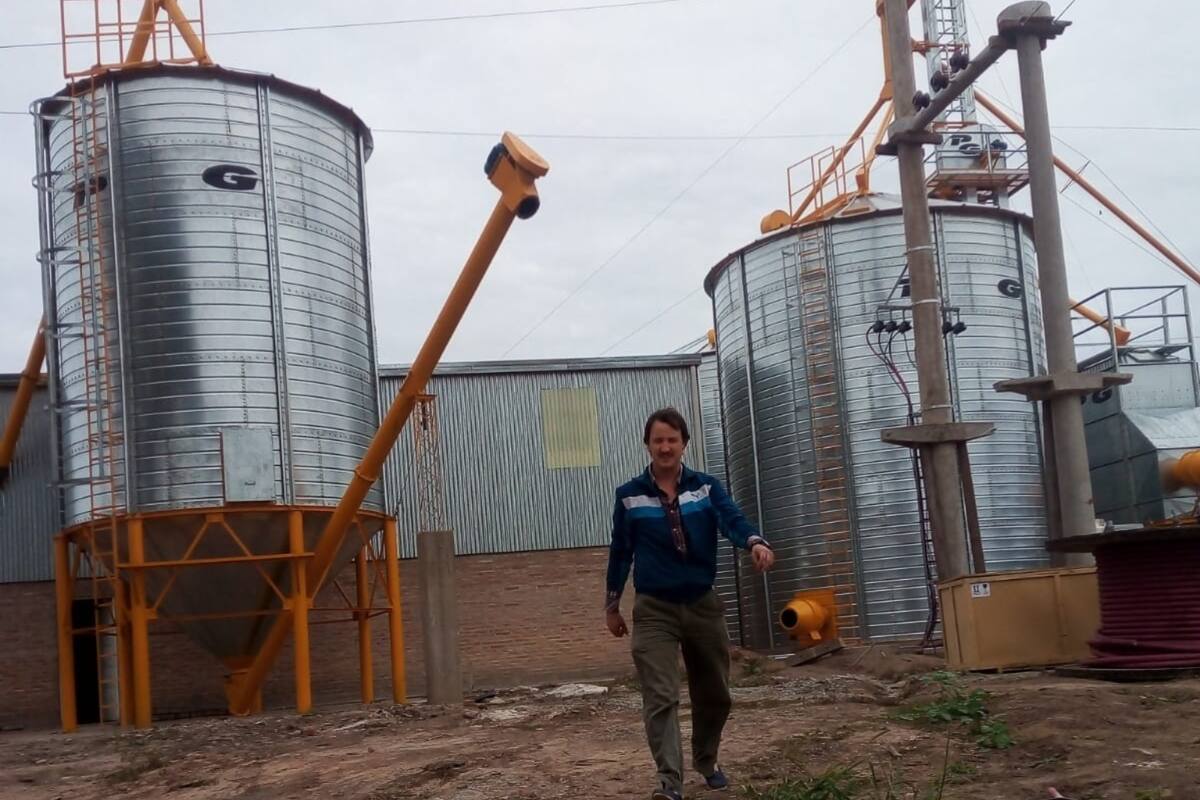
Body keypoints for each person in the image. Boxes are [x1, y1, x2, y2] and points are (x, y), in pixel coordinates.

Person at [605, 407, 775, 800]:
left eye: (672, 439)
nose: (665, 447)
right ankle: (670, 781)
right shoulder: (629, 496)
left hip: (702, 604)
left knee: (715, 693)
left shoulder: (706, 487)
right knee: (661, 695)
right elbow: (621, 551)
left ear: (684, 443)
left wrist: (754, 541)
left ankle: (706, 759)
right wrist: (611, 605)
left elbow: (731, 519)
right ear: (647, 444)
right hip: (654, 609)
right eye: (658, 440)